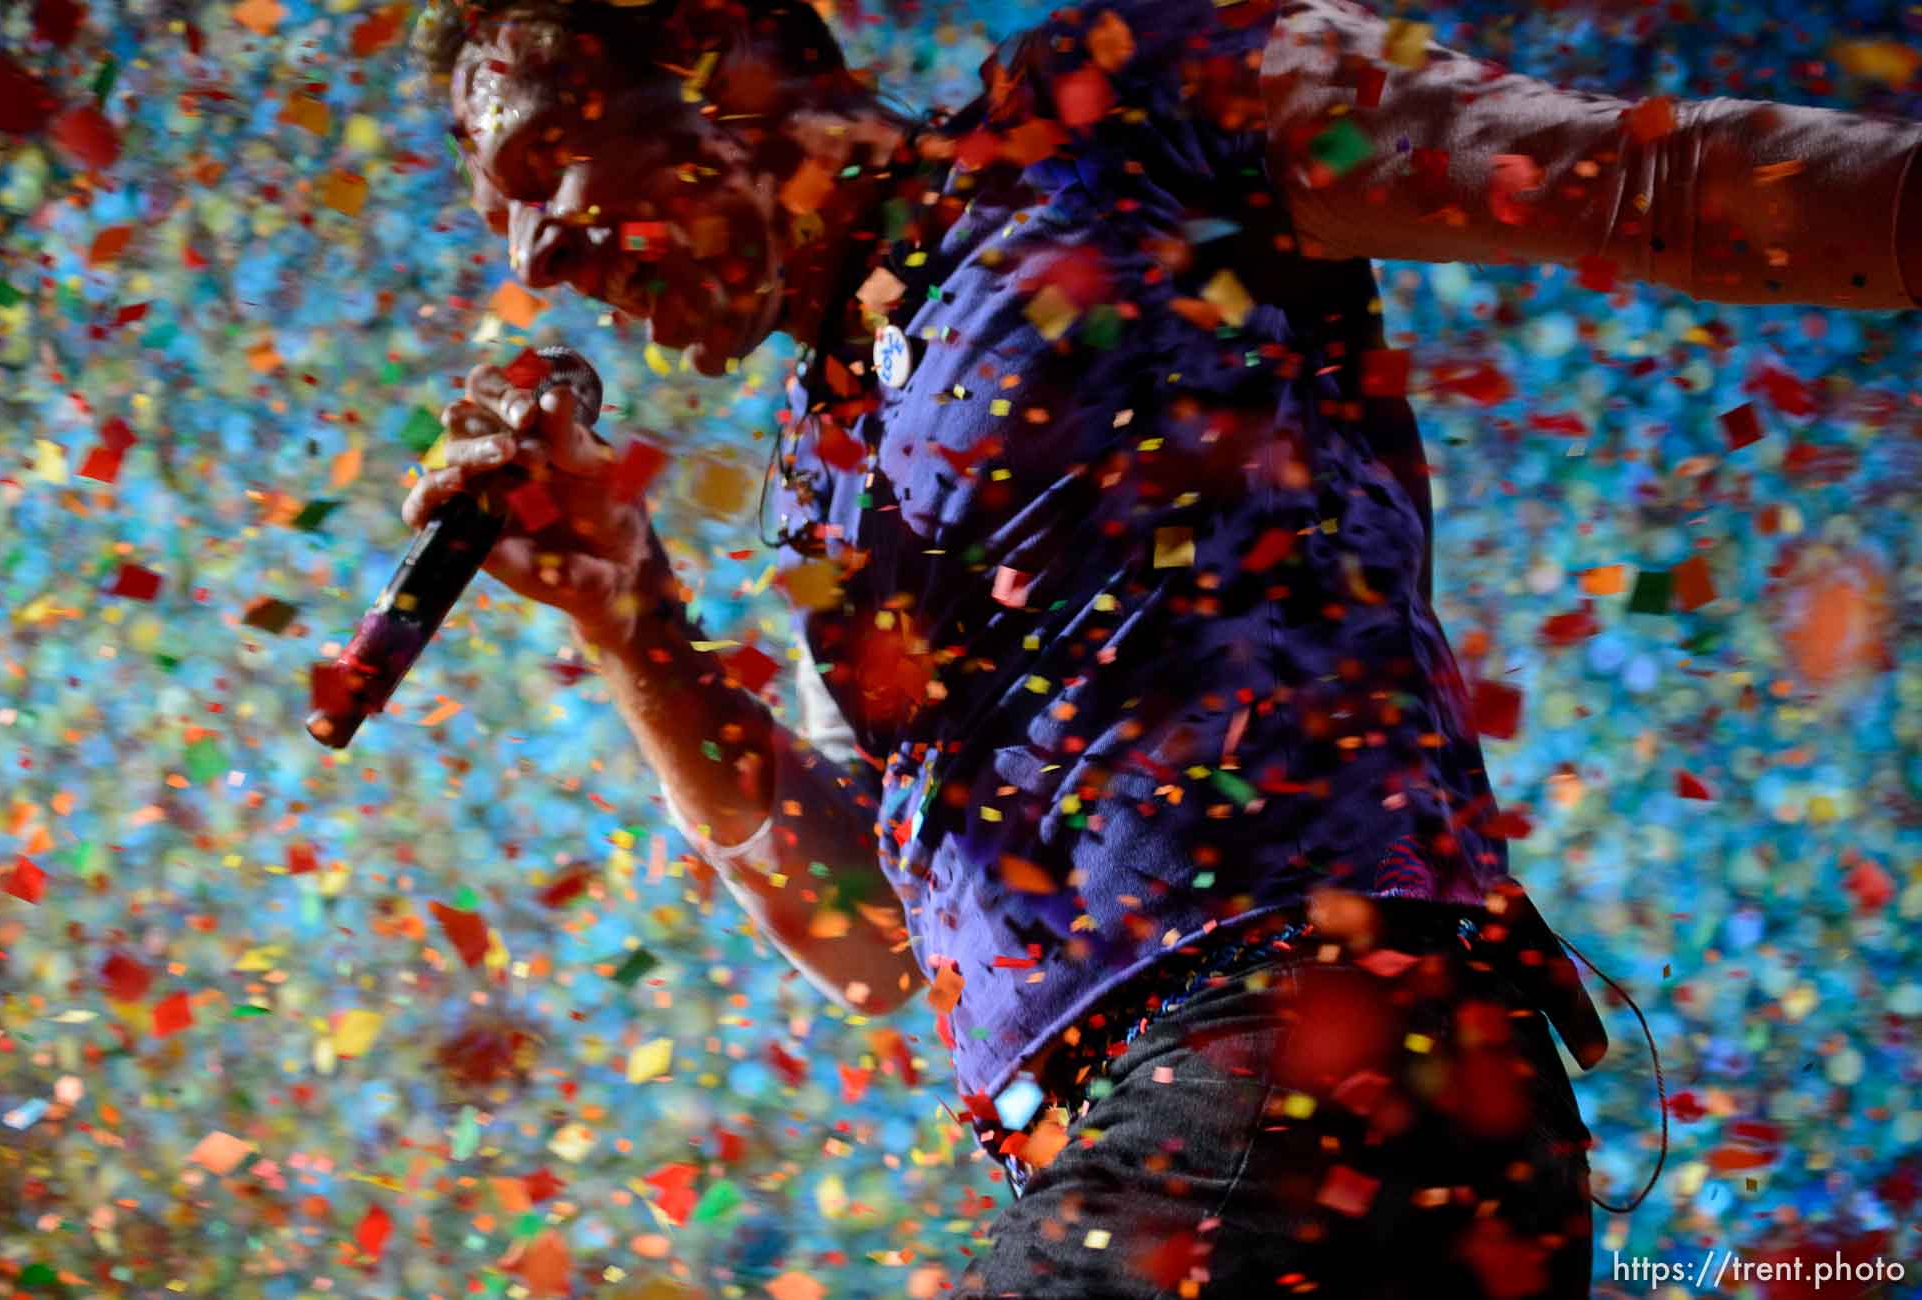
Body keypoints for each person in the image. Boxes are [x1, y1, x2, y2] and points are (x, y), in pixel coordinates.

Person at [402, 0, 1922, 1293]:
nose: (535, 257)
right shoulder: (817, 470)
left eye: (543, 160)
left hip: (1317, 1054)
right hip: (1165, 1138)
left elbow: (1649, 176)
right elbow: (878, 932)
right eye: (499, 218)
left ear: (705, 35)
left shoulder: (1115, 103)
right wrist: (631, 623)